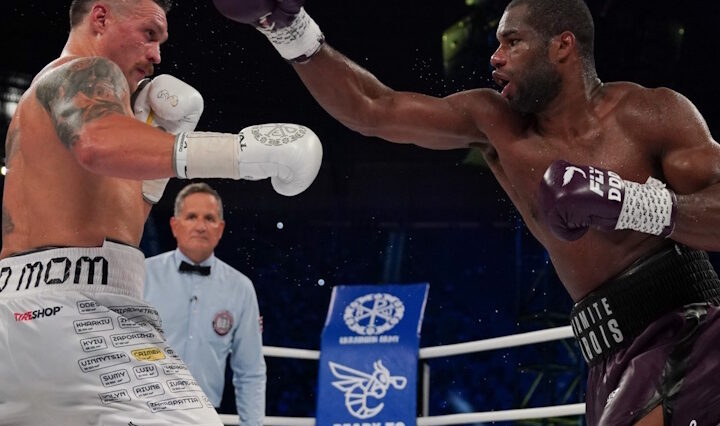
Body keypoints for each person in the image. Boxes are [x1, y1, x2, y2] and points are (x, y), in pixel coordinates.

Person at [213, 0, 720, 424]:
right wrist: (289, 29)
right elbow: (373, 108)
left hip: (685, 328)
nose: (495, 57)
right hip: (607, 353)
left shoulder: (650, 113)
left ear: (562, 46)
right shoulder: (494, 121)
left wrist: (632, 202)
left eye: (512, 42)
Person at [0, 0, 322, 424]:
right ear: (101, 18)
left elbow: (113, 229)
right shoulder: (84, 70)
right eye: (148, 34)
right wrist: (242, 154)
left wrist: (152, 180)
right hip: (79, 313)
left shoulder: (56, 99)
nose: (156, 55)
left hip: (28, 315)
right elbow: (96, 142)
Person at [145, 182, 266, 426]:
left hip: (204, 416)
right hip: (145, 411)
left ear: (220, 229)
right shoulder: (143, 274)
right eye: (192, 217)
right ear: (175, 225)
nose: (200, 226)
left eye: (209, 218)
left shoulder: (240, 288)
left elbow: (250, 370)